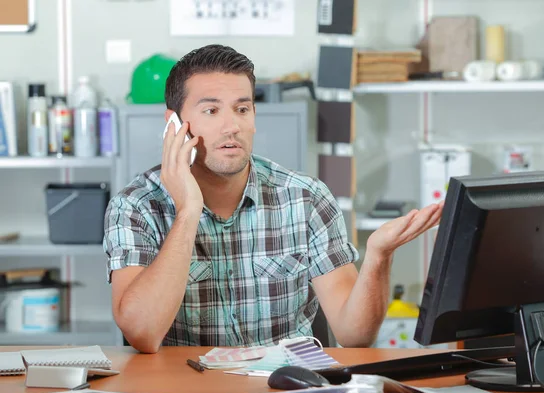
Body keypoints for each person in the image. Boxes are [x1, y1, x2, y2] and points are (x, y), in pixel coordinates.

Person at [103, 44, 443, 354]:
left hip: (286, 387)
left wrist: (378, 257)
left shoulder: (306, 197)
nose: (231, 126)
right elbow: (142, 333)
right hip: (189, 390)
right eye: (211, 111)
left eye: (242, 109)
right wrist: (188, 211)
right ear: (174, 124)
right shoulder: (135, 206)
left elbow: (355, 335)